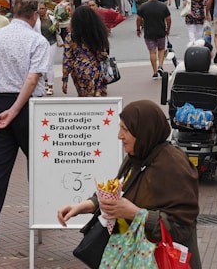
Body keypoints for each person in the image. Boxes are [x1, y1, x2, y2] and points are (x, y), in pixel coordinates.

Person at [57, 99, 201, 269]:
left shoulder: (173, 166)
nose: (119, 135)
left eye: (125, 129)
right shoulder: (138, 157)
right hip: (133, 257)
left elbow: (182, 226)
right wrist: (83, 206)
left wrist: (137, 214)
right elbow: (120, 192)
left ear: (143, 131)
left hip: (159, 261)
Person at [0, 0, 49, 249]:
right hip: (26, 106)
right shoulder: (37, 41)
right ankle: (43, 214)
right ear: (33, 15)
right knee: (37, 164)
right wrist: (17, 109)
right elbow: (32, 79)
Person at [62, 5, 109, 97]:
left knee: (84, 97)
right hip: (95, 68)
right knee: (98, 96)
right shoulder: (97, 34)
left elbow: (67, 59)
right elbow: (102, 55)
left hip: (78, 70)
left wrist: (65, 79)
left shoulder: (70, 37)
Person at [136, 0, 171, 79]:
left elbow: (138, 19)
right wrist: (168, 29)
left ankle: (155, 71)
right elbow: (168, 19)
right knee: (161, 49)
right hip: (160, 31)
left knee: (152, 52)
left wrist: (138, 29)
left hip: (149, 32)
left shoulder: (143, 6)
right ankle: (160, 66)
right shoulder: (163, 6)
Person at [38, 2, 58, 96]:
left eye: (43, 8)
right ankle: (44, 83)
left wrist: (57, 27)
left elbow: (57, 31)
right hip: (40, 45)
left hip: (51, 43)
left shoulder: (52, 19)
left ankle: (50, 86)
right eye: (39, 8)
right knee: (42, 65)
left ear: (46, 9)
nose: (41, 10)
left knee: (49, 65)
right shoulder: (35, 20)